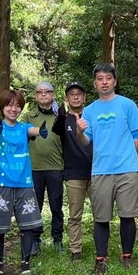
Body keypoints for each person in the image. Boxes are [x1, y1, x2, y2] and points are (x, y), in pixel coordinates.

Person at [76, 63, 138, 275]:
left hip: (127, 169)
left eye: (108, 78)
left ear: (114, 81)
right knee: (101, 217)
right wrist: (79, 132)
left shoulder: (127, 105)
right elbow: (85, 142)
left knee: (127, 215)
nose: (104, 82)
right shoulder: (89, 110)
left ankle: (127, 256)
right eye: (100, 79)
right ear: (95, 83)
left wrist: (127, 156)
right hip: (100, 171)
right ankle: (101, 259)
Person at [0, 89, 47, 275]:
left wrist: (41, 130)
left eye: (17, 106)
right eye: (9, 105)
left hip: (24, 183)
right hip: (1, 183)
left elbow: (33, 130)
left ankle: (25, 263)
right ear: (3, 107)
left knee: (27, 225)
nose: (13, 109)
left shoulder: (23, 128)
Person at [21, 81, 65, 254]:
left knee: (56, 205)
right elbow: (21, 132)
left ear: (53, 94)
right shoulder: (29, 116)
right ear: (36, 96)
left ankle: (58, 239)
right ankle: (35, 240)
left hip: (55, 167)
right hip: (34, 168)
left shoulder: (59, 115)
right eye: (40, 92)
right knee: (35, 206)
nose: (44, 95)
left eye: (47, 92)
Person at [52, 81, 93, 261]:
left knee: (101, 213)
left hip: (96, 171)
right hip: (73, 173)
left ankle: (102, 247)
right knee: (75, 215)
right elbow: (56, 130)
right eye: (71, 94)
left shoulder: (92, 115)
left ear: (84, 97)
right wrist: (61, 117)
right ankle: (75, 250)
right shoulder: (63, 119)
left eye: (79, 93)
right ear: (67, 98)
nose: (75, 96)